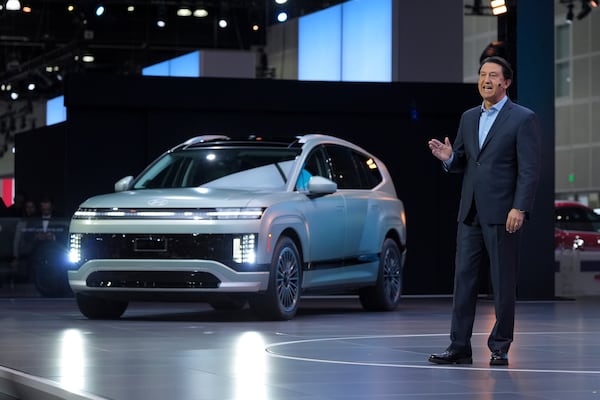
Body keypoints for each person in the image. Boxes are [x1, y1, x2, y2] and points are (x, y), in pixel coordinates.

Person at [427, 56, 541, 366]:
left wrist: (520, 207)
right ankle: (459, 346)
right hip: (470, 213)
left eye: (493, 75)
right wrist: (449, 157)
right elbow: (464, 162)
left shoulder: (523, 118)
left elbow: (529, 170)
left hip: (504, 213)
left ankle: (500, 345)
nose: (486, 79)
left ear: (506, 82)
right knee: (463, 281)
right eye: (482, 74)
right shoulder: (468, 118)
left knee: (502, 283)